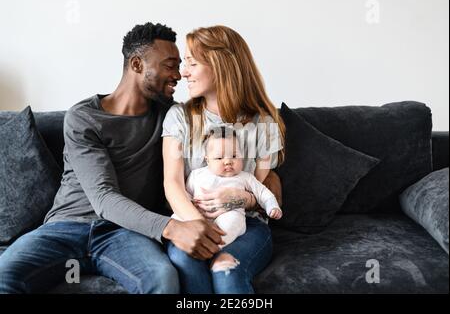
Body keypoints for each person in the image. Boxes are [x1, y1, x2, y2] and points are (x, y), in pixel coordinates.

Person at [0, 22, 225, 294]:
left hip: (125, 234)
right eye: (169, 65)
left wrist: (265, 173)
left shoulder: (172, 117)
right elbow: (103, 197)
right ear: (137, 64)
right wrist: (171, 228)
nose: (179, 74)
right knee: (4, 276)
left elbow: (222, 137)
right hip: (64, 228)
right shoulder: (84, 117)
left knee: (162, 280)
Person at [162, 25, 286, 293]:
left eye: (192, 64)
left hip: (246, 224)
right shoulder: (179, 118)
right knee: (187, 260)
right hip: (190, 220)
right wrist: (198, 226)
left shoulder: (264, 124)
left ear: (220, 65)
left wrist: (245, 200)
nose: (183, 73)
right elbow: (172, 184)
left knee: (225, 268)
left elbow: (258, 186)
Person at [172, 126, 282, 248]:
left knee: (233, 221)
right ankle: (184, 241)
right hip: (198, 214)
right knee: (177, 217)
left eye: (234, 156)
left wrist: (272, 206)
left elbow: (263, 192)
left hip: (229, 214)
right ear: (207, 160)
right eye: (219, 158)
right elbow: (186, 194)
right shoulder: (197, 175)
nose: (228, 161)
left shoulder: (245, 177)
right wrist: (191, 205)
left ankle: (216, 245)